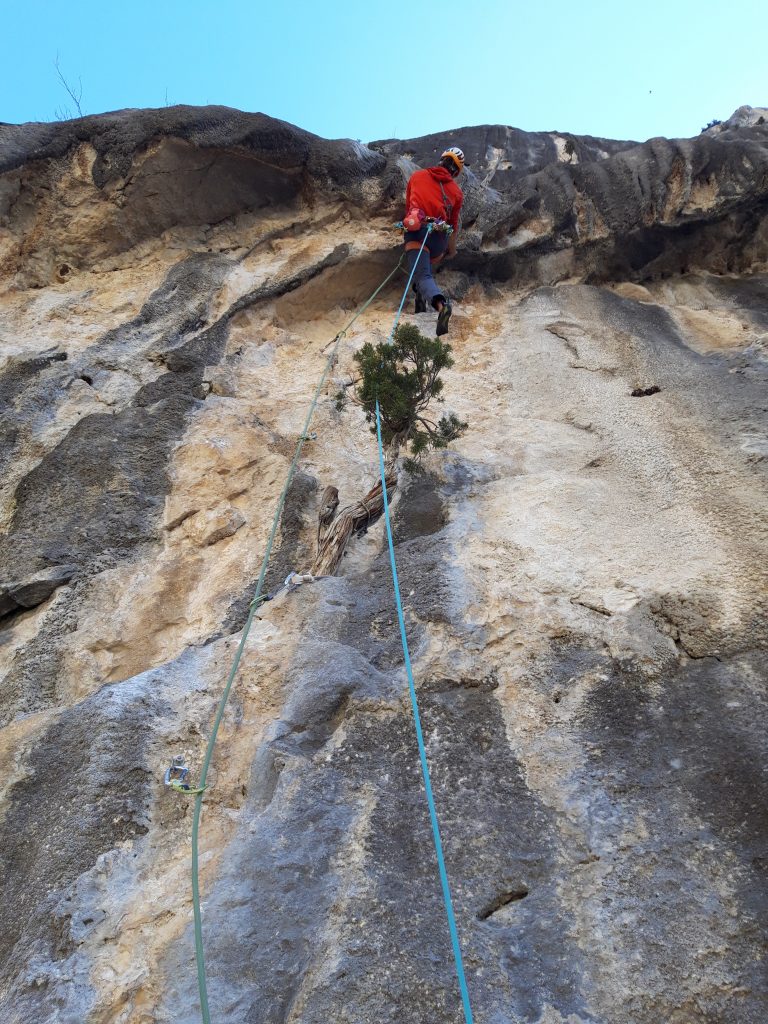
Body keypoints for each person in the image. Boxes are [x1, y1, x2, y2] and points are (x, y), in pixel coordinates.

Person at [402, 146, 466, 336]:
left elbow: (408, 208)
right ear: (456, 171)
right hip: (439, 238)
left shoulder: (417, 176)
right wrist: (451, 250)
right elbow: (453, 226)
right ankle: (420, 299)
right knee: (425, 265)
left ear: (441, 160)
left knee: (422, 275)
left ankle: (441, 306)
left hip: (417, 230)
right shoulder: (456, 192)